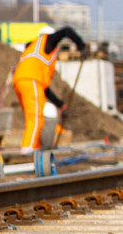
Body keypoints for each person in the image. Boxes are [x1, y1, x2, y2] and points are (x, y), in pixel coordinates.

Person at [12, 25, 85, 153]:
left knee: (31, 118)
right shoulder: (47, 40)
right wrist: (81, 46)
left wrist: (60, 104)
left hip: (20, 81)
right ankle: (27, 150)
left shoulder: (33, 48)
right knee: (35, 118)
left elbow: (44, 89)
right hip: (31, 79)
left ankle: (34, 147)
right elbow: (67, 31)